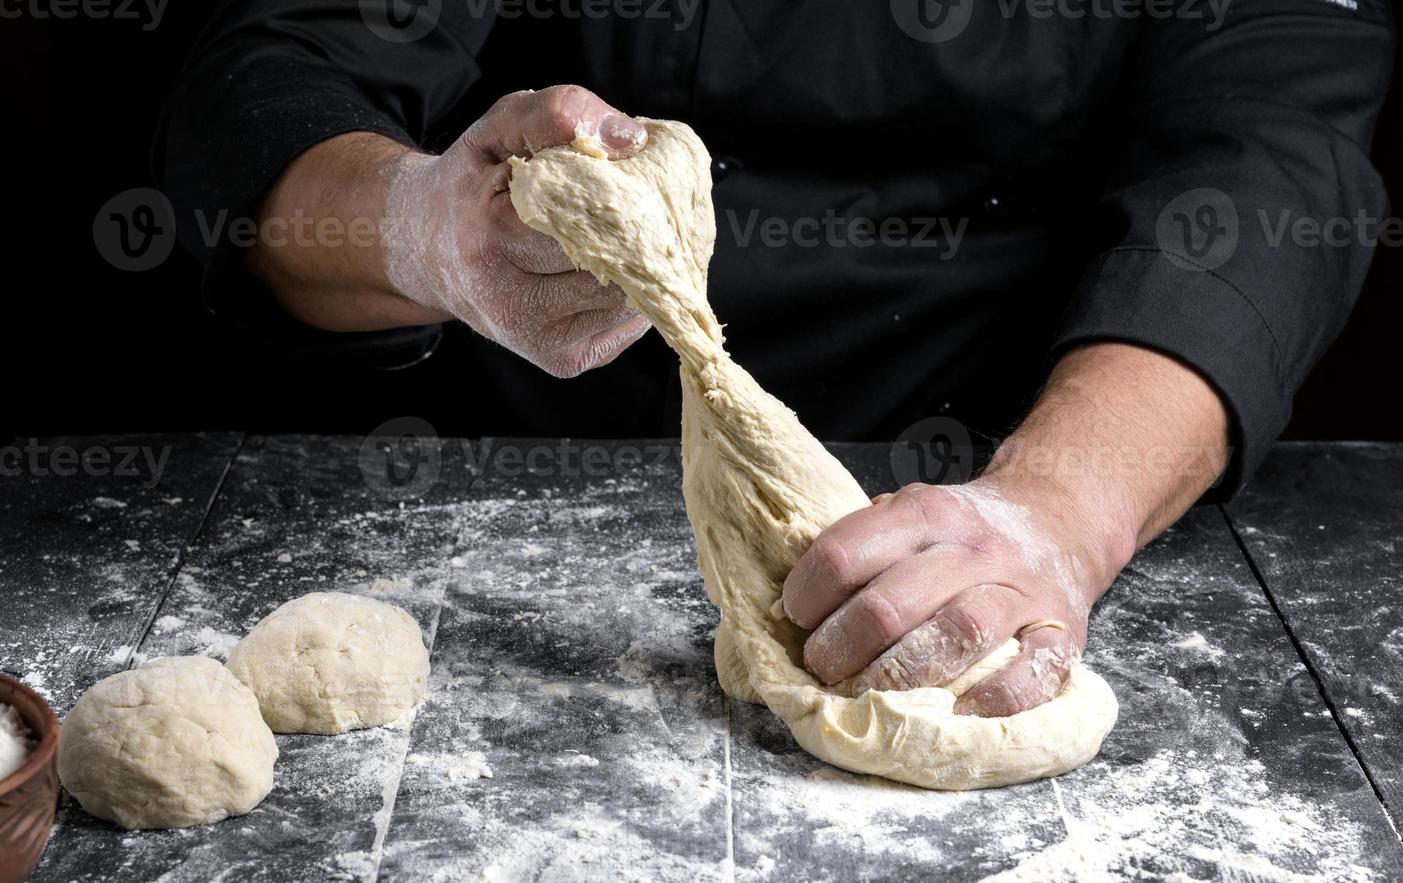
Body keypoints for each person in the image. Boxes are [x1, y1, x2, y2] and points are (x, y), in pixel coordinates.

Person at [155, 1, 1391, 717]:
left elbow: (1265, 156)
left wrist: (1063, 506)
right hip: (489, 456)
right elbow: (271, 70)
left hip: (963, 459)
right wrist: (422, 228)